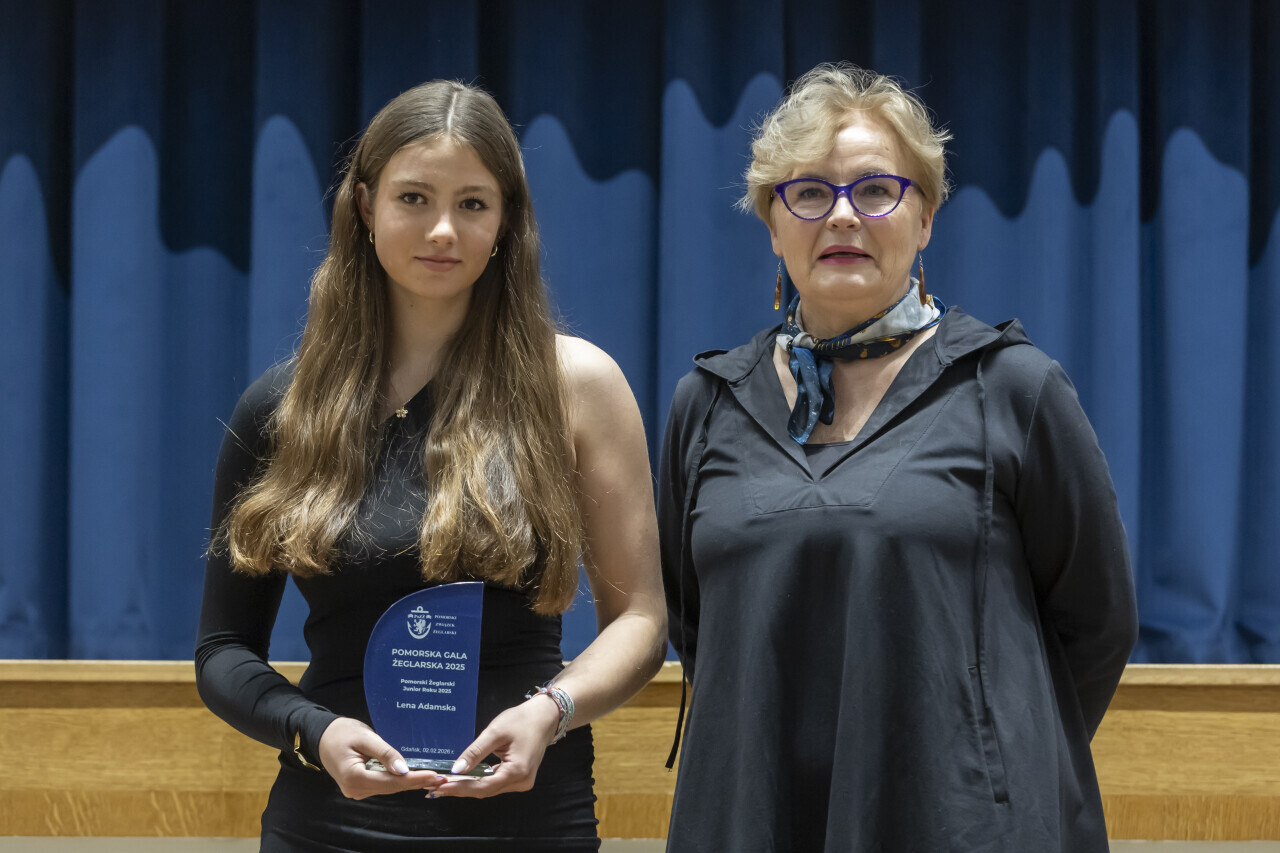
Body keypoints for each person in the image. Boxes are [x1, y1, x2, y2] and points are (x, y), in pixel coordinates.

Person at [659, 63, 1138, 852]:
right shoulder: (705, 405)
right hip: (756, 812)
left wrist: (979, 757)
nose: (843, 215)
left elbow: (1098, 622)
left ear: (925, 220)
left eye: (877, 190)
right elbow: (696, 625)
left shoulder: (1011, 388)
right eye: (810, 193)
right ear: (773, 224)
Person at [196, 80, 666, 852]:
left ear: (506, 219)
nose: (443, 229)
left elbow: (643, 620)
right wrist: (313, 729)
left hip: (527, 820)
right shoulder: (282, 407)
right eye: (413, 197)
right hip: (329, 823)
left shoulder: (579, 385)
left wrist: (551, 710)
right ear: (364, 204)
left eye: (473, 203)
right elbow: (223, 650)